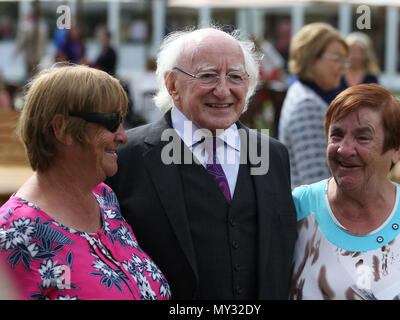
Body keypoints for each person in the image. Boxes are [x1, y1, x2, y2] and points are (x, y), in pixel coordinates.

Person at [106, 27, 297, 299]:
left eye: (235, 76)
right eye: (207, 76)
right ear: (172, 85)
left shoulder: (273, 155)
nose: (223, 90)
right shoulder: (126, 157)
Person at [0, 65, 171, 300]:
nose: (123, 135)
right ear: (61, 129)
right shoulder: (13, 233)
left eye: (122, 121)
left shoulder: (104, 199)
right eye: (111, 121)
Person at [290, 83, 400, 300]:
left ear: (396, 150)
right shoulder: (297, 210)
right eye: (336, 135)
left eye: (362, 137)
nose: (344, 149)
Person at [278, 22, 349, 189]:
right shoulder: (307, 104)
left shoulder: (306, 93)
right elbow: (316, 182)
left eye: (345, 60)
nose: (343, 67)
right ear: (311, 58)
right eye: (337, 59)